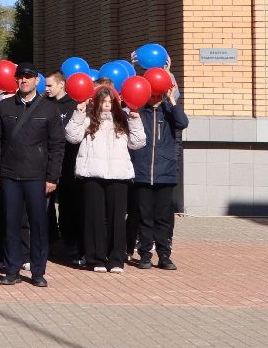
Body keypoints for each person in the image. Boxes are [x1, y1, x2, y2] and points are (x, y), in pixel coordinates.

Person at [0, 66, 64, 288]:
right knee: (10, 223)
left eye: (28, 77)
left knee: (38, 225)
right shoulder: (5, 106)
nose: (24, 81)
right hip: (9, 174)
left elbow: (57, 145)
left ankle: (38, 271)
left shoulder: (49, 108)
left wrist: (52, 177)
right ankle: (12, 270)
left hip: (38, 176)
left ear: (36, 81)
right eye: (20, 77)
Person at [66, 84, 146, 273]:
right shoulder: (88, 120)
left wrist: (135, 120)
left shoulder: (123, 120)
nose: (107, 105)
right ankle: (96, 258)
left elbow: (138, 143)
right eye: (104, 101)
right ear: (97, 103)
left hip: (118, 176)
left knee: (117, 218)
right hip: (92, 174)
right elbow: (71, 136)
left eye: (111, 101)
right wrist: (78, 112)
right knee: (94, 218)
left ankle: (116, 258)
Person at [130, 72, 187, 270]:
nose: (155, 98)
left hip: (165, 173)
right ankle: (145, 254)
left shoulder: (169, 111)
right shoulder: (140, 111)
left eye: (158, 94)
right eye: (152, 94)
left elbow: (183, 123)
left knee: (163, 217)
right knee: (145, 216)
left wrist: (171, 100)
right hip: (143, 172)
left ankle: (164, 255)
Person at [43, 71, 83, 262]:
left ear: (61, 84)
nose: (47, 89)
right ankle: (49, 241)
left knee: (69, 204)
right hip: (48, 162)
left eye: (50, 85)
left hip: (69, 163)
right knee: (46, 204)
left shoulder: (73, 104)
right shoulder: (44, 104)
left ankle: (70, 243)